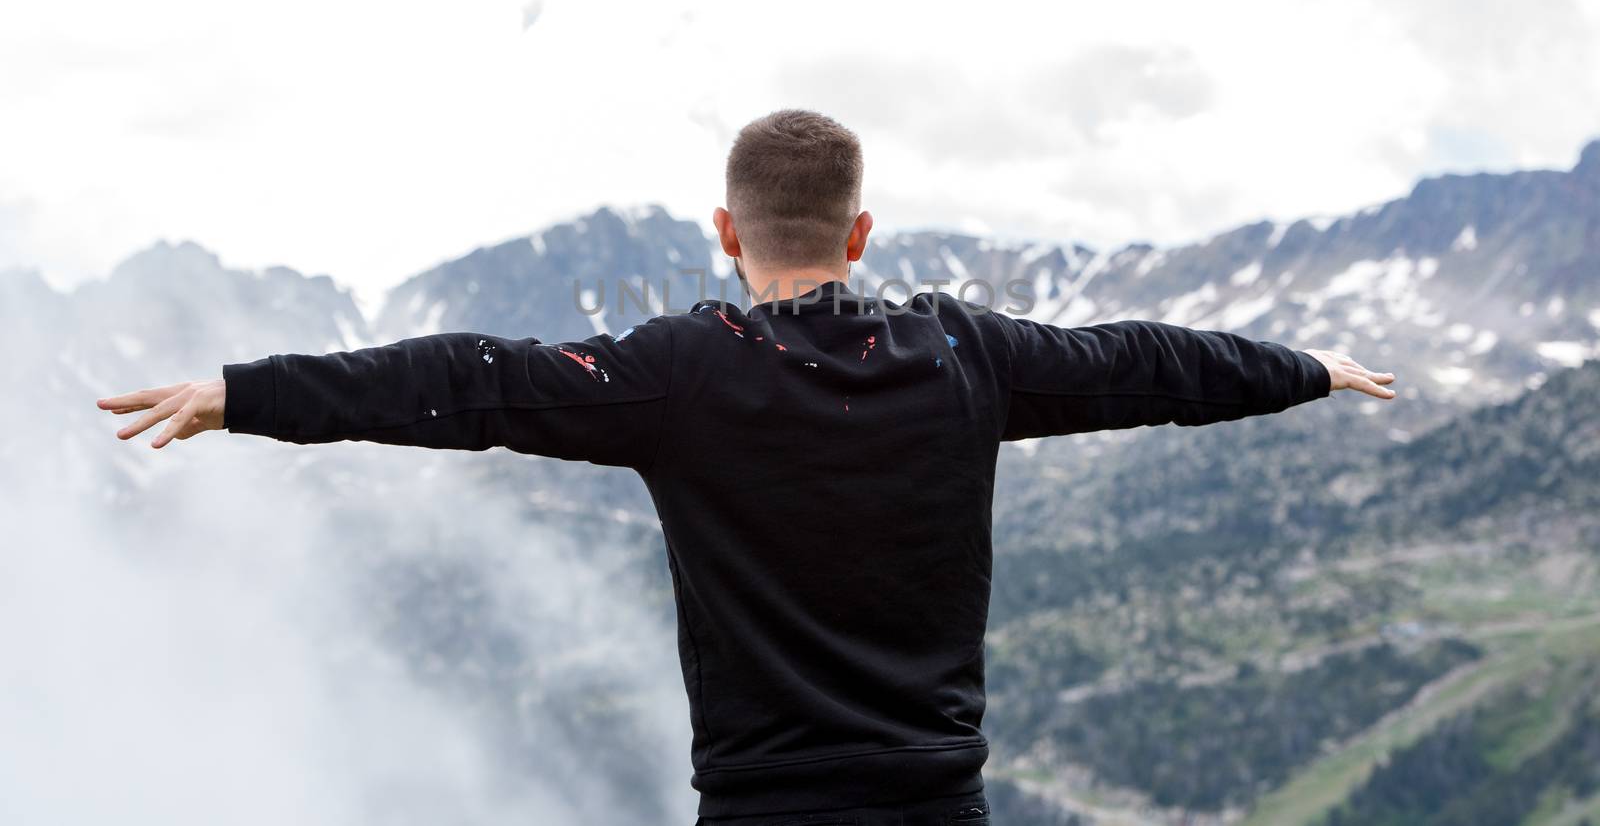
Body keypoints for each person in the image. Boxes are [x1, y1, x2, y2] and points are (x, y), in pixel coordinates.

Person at [96, 109, 1397, 825]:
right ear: (863, 228)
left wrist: (247, 395)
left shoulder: (680, 372)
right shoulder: (971, 356)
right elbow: (1149, 364)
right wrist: (1303, 367)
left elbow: (466, 381)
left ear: (725, 232)